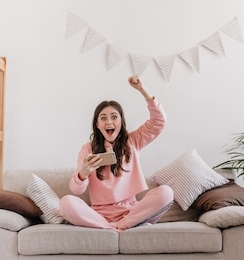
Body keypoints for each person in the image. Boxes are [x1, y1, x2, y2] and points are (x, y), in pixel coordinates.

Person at [59, 75, 174, 232]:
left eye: (114, 117)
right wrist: (83, 173)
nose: (109, 122)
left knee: (166, 193)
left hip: (131, 213)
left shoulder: (133, 141)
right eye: (103, 118)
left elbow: (159, 121)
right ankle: (115, 227)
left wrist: (142, 89)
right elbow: (76, 190)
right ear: (97, 124)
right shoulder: (87, 149)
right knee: (66, 203)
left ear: (121, 122)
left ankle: (119, 226)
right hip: (100, 216)